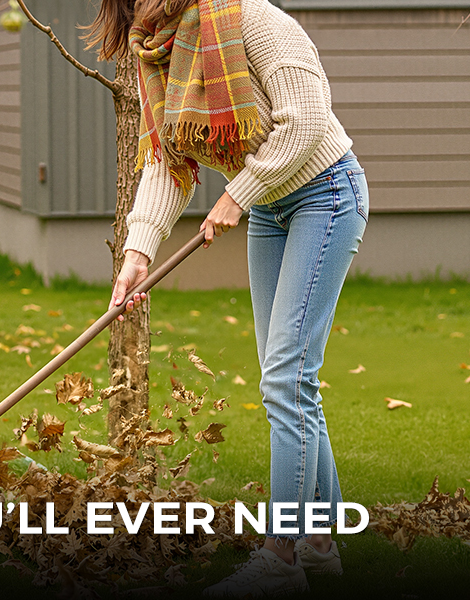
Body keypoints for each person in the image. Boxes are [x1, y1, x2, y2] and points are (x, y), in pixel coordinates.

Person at [97, 0, 365, 596]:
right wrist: (137, 252)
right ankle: (321, 545)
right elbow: (169, 161)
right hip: (271, 209)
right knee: (292, 381)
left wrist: (236, 195)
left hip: (325, 194)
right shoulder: (158, 53)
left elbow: (306, 122)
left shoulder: (253, 23)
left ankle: (283, 554)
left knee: (286, 379)